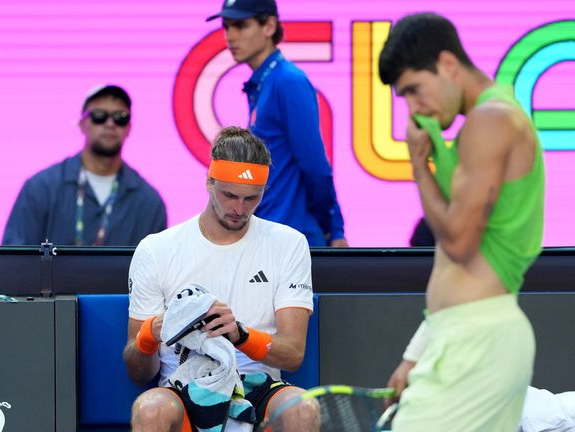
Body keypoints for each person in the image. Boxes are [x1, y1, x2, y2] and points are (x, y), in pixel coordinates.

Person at [378, 13, 546, 431]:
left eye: (415, 89)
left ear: (448, 64)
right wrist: (419, 351)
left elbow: (458, 242)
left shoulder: (490, 121)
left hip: (479, 341)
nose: (414, 108)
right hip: (461, 336)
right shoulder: (487, 121)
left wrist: (419, 165)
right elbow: (453, 264)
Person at [124, 126, 317, 431]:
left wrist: (239, 334)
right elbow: (138, 372)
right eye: (229, 195)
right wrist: (153, 332)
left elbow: (293, 354)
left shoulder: (289, 244)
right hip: (183, 386)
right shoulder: (156, 249)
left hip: (259, 387)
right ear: (209, 182)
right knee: (151, 410)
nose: (239, 209)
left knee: (302, 409)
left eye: (251, 198)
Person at [207, 0, 348, 247]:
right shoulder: (266, 83)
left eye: (241, 25)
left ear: (269, 26)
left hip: (292, 240)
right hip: (273, 237)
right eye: (227, 26)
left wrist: (333, 230)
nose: (230, 36)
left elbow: (314, 165)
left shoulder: (287, 81)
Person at [2, 85, 166, 246]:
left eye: (120, 117)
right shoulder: (41, 188)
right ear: (82, 124)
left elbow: (160, 269)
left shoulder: (149, 202)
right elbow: (12, 262)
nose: (110, 124)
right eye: (99, 115)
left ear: (129, 128)